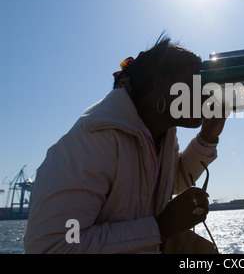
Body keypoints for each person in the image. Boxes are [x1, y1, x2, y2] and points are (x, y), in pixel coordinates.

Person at [24, 36, 226, 253]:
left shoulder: (164, 134)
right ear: (161, 85)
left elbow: (173, 181)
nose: (207, 93)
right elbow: (52, 245)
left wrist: (208, 136)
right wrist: (159, 228)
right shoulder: (95, 140)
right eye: (197, 82)